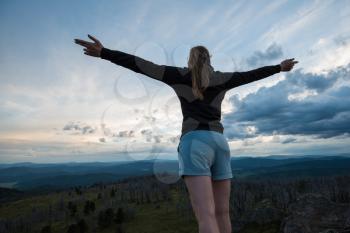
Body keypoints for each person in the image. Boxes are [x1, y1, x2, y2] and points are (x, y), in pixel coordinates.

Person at [74, 34, 298, 233]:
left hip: (194, 143)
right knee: (222, 214)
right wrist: (279, 67)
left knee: (206, 216)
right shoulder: (223, 78)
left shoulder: (179, 75)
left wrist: (104, 53)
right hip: (220, 143)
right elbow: (252, 75)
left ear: (190, 60)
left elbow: (141, 65)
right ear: (209, 59)